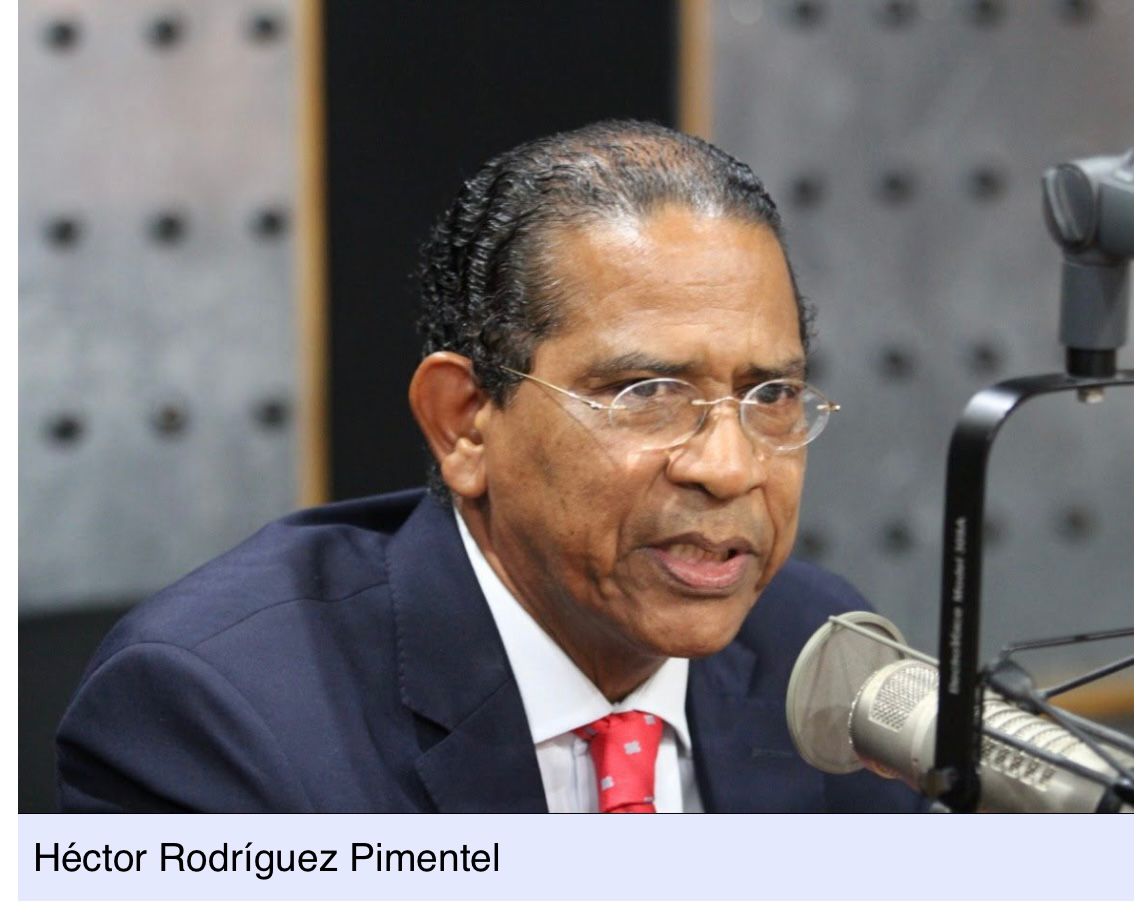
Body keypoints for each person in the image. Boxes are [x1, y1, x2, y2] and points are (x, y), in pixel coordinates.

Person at [57, 120, 922, 812]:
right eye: (648, 393)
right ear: (464, 422)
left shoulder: (816, 653)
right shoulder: (219, 710)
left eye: (771, 394)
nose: (729, 468)